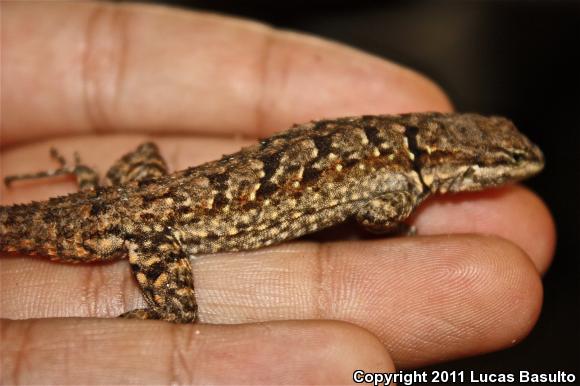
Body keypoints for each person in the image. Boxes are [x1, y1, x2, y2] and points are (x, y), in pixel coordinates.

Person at [0, 1, 555, 383]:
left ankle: (97, 186)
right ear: (460, 165)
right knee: (178, 313)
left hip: (149, 203)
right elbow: (378, 215)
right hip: (151, 227)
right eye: (497, 166)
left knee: (146, 157)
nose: (508, 173)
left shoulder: (396, 135)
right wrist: (401, 222)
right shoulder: (400, 185)